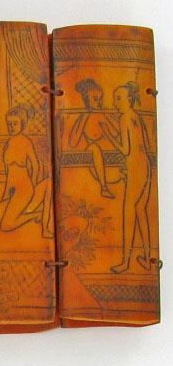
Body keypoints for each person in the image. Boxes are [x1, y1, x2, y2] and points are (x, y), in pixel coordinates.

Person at [101, 82, 152, 273]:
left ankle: (125, 262)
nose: (115, 102)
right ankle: (147, 259)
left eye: (119, 98)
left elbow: (125, 149)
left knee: (129, 213)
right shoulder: (136, 116)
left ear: (129, 99)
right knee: (141, 212)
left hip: (136, 168)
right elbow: (142, 144)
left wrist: (107, 134)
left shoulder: (125, 118)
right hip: (145, 166)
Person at [0, 104, 53, 238]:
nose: (11, 127)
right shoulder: (8, 143)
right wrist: (5, 193)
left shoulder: (26, 142)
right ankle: (35, 214)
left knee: (5, 225)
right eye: (9, 124)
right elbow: (8, 172)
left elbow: (36, 165)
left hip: (25, 189)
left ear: (22, 124)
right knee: (0, 218)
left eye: (15, 124)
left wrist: (33, 185)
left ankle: (35, 215)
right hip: (12, 189)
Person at [69, 78, 117, 198]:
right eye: (95, 99)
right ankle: (103, 187)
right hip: (91, 151)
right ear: (86, 100)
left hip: (106, 153)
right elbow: (73, 142)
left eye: (100, 98)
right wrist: (84, 119)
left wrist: (108, 117)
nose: (99, 102)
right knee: (95, 147)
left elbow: (116, 133)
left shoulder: (102, 115)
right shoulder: (84, 117)